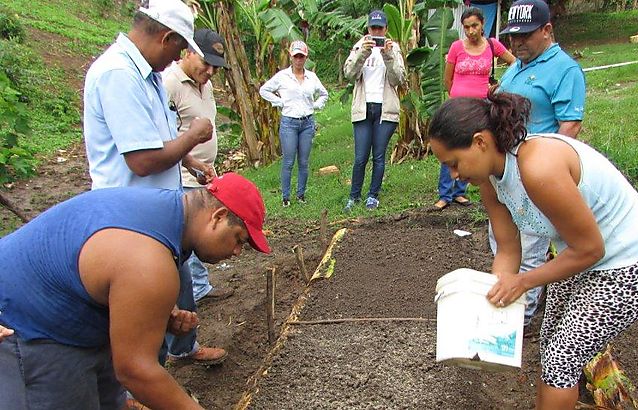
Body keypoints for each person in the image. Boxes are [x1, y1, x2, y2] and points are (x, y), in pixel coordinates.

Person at [428, 93, 638, 410]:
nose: (454, 176)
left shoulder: (538, 168)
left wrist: (523, 282)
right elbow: (508, 247)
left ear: (479, 142)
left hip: (633, 261)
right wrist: (492, 302)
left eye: (453, 163)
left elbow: (590, 248)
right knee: (551, 345)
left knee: (563, 355)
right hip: (581, 255)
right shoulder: (489, 180)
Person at [0, 173, 271, 410]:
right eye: (239, 239)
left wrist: (155, 314)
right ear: (218, 216)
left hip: (71, 311)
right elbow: (134, 371)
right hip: (27, 328)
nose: (236, 252)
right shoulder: (149, 261)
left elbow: (115, 273)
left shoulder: (168, 210)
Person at [82, 0, 226, 368]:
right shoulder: (118, 74)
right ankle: (137, 388)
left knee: (176, 293)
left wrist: (188, 160)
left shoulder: (144, 74)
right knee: (142, 310)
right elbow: (142, 160)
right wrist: (193, 136)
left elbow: (156, 141)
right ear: (166, 38)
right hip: (128, 217)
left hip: (158, 210)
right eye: (180, 48)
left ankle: (174, 356)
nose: (178, 57)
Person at [493, 0, 587, 330]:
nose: (516, 43)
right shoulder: (516, 65)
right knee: (504, 239)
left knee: (532, 240)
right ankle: (507, 304)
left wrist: (551, 172)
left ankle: (524, 317)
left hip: (538, 169)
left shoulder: (565, 69)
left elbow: (570, 126)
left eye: (525, 36)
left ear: (547, 30)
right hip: (508, 169)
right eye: (512, 37)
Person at [163, 28, 232, 304]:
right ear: (189, 52)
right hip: (179, 177)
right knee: (189, 237)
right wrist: (189, 164)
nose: (211, 71)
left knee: (199, 231)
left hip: (200, 172)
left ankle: (199, 288)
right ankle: (189, 295)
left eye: (215, 66)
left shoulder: (207, 84)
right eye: (206, 63)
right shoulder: (170, 84)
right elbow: (165, 137)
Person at [434, 7, 516, 211]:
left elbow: (515, 63)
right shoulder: (456, 47)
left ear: (482, 24)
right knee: (450, 147)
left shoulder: (492, 45)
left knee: (471, 150)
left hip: (481, 108)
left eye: (474, 26)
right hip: (458, 108)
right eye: (466, 27)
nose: (470, 31)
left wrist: (499, 85)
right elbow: (447, 78)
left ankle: (460, 192)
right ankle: (445, 194)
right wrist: (455, 97)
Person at [342, 10, 406, 212]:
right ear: (368, 28)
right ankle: (354, 196)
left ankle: (373, 195)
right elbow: (349, 74)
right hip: (363, 107)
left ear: (386, 29)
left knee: (378, 155)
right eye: (373, 28)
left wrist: (387, 56)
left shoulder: (393, 48)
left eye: (380, 28)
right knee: (361, 156)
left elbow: (398, 79)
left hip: (385, 108)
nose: (376, 32)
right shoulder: (359, 46)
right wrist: (363, 53)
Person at [259, 40, 329, 207]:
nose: (299, 60)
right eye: (296, 56)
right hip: (289, 122)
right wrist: (279, 101)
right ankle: (285, 196)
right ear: (291, 57)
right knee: (289, 161)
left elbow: (323, 94)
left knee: (303, 161)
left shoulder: (311, 77)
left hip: (306, 122)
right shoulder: (283, 76)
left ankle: (301, 194)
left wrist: (316, 105)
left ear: (305, 58)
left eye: (302, 57)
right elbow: (264, 90)